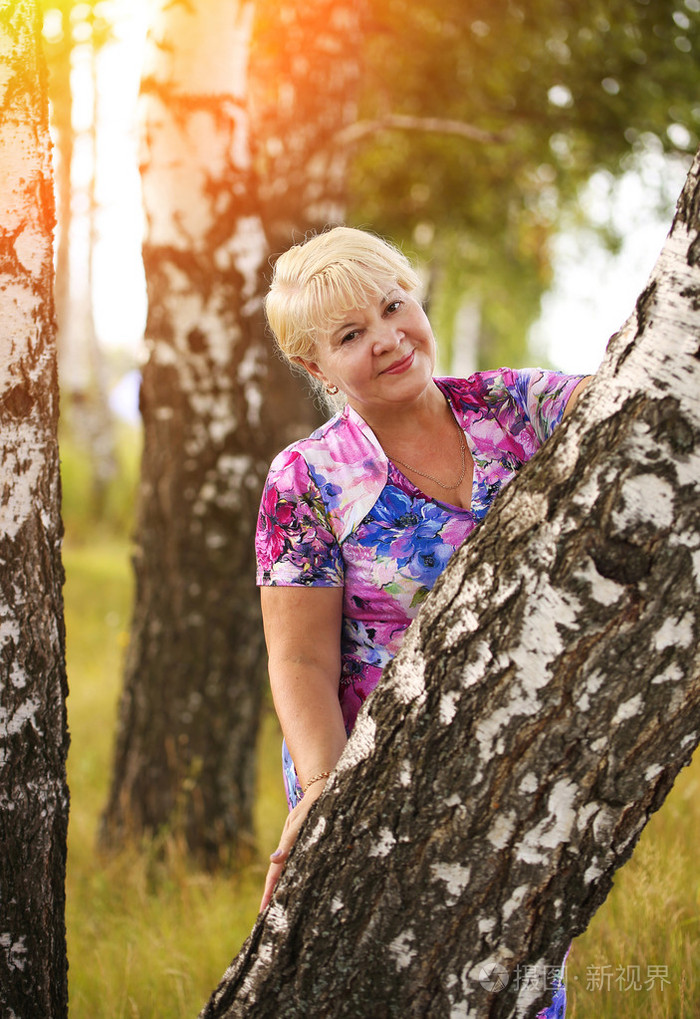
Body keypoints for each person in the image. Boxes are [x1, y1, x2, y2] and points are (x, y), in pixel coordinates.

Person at [254, 226, 590, 1017]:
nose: (387, 339)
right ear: (315, 366)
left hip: (515, 759)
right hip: (371, 773)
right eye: (349, 335)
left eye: (393, 306)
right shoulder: (308, 477)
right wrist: (326, 790)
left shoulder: (514, 408)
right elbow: (298, 660)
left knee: (517, 987)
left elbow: (647, 397)